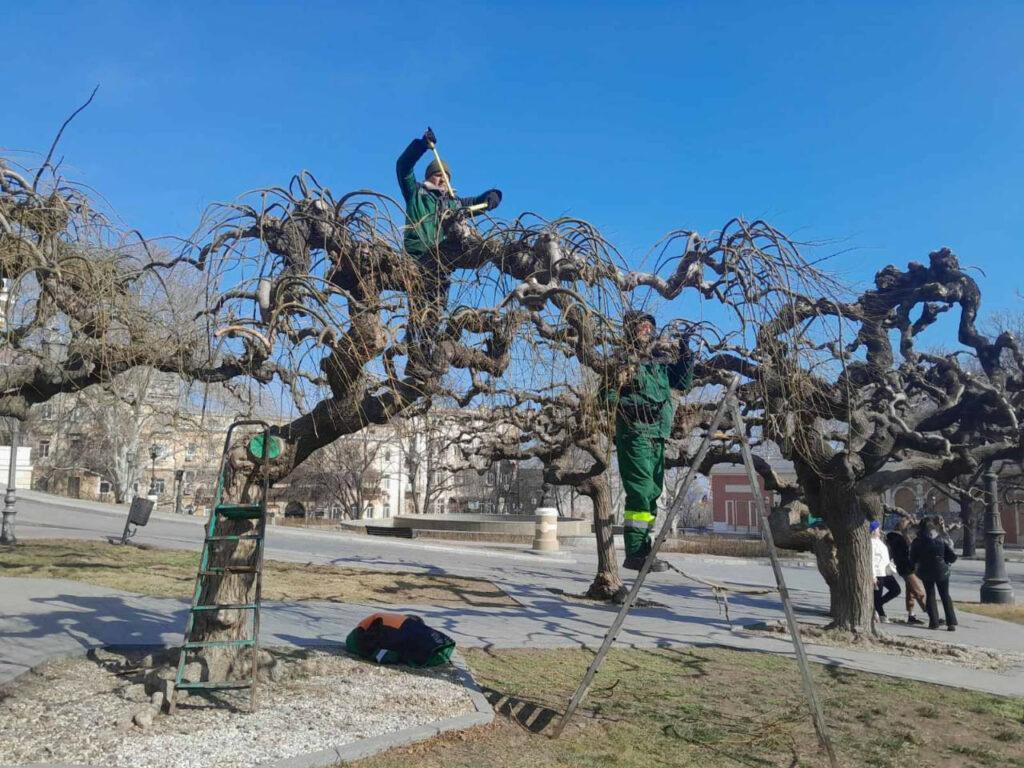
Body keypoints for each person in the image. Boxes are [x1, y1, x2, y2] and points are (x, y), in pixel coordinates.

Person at [605, 311, 694, 571]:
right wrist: (630, 406)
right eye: (642, 327)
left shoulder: (659, 361)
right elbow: (605, 397)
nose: (647, 332)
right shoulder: (623, 361)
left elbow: (683, 382)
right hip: (635, 433)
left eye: (650, 328)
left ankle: (644, 549)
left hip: (657, 434)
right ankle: (634, 551)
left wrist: (686, 355)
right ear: (631, 330)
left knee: (653, 492)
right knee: (641, 491)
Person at [396, 127, 502, 261]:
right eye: (438, 175)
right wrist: (421, 146)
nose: (442, 181)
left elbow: (478, 202)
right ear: (428, 176)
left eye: (446, 178)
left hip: (442, 264)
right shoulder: (415, 192)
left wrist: (494, 195)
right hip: (415, 259)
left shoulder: (455, 203)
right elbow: (403, 166)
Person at [910, 518, 959, 631]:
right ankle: (951, 622)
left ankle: (934, 622)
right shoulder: (940, 539)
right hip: (942, 570)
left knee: (930, 595)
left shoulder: (917, 541)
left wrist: (915, 566)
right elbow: (952, 556)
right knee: (945, 595)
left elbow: (912, 558)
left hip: (925, 571)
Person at [886, 522, 927, 624]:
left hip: (905, 568)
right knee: (919, 591)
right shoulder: (899, 539)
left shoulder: (895, 538)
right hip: (907, 568)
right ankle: (931, 613)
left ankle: (911, 615)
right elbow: (906, 552)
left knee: (911, 592)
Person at [870, 520, 901, 622]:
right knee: (877, 595)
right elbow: (871, 561)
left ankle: (877, 606)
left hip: (886, 571)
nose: (880, 530)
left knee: (896, 589)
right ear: (873, 530)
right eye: (878, 528)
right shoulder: (871, 543)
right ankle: (881, 614)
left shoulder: (879, 540)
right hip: (878, 573)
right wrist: (873, 576)